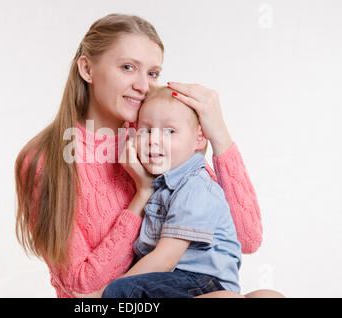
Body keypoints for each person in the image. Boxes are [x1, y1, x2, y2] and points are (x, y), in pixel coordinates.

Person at [14, 13, 282, 298]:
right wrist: (141, 196)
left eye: (152, 73)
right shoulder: (45, 159)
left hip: (170, 291)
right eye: (128, 67)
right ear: (87, 69)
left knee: (268, 296)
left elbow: (246, 238)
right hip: (109, 301)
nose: (144, 86)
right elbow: (83, 289)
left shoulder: (158, 137)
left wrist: (219, 136)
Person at [99, 85, 241, 298]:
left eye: (170, 131)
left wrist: (98, 295)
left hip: (204, 281)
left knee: (121, 290)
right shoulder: (161, 183)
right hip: (177, 279)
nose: (154, 140)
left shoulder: (194, 185)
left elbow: (164, 260)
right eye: (146, 130)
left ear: (199, 138)